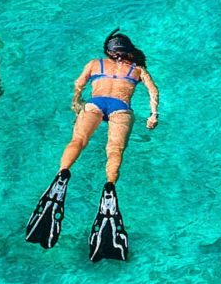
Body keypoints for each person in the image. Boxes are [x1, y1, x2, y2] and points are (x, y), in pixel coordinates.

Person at [23, 29, 160, 261]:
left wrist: (76, 102)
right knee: (114, 151)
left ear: (108, 51)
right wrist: (153, 115)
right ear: (128, 51)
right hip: (120, 107)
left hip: (95, 104)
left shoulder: (96, 64)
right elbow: (153, 91)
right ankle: (109, 187)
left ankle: (62, 174)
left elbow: (78, 85)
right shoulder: (137, 70)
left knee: (78, 141)